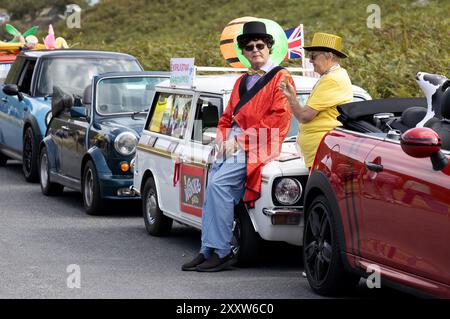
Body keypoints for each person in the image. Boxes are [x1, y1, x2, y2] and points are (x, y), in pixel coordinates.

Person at [182, 21, 294, 272]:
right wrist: (222, 139)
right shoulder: (241, 81)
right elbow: (226, 117)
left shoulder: (282, 77)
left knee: (220, 187)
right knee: (211, 188)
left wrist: (239, 141)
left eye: (260, 45)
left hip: (260, 146)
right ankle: (207, 249)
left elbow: (278, 121)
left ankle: (221, 251)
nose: (255, 50)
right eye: (249, 46)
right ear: (243, 52)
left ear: (269, 48)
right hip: (233, 144)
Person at [279, 32, 353, 169]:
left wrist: (292, 98)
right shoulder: (333, 76)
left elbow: (304, 116)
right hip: (322, 153)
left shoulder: (332, 79)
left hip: (323, 155)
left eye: (313, 56)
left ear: (329, 56)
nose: (310, 60)